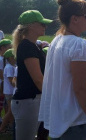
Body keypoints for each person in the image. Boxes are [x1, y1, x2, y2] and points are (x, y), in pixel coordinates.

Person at [38, 0, 86, 139]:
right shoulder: (78, 44)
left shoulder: (56, 41)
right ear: (75, 19)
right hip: (73, 118)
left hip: (59, 115)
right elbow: (80, 88)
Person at [11, 10, 52, 140]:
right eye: (41, 24)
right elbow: (38, 79)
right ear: (30, 26)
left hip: (32, 100)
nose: (44, 27)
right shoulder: (27, 47)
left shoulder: (32, 46)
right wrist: (51, 97)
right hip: (28, 101)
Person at [0, 49, 16, 132]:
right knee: (11, 111)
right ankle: (3, 128)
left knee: (11, 111)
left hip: (10, 92)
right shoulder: (9, 67)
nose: (16, 58)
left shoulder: (11, 66)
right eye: (14, 56)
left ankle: (9, 126)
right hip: (9, 92)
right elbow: (11, 81)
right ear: (10, 58)